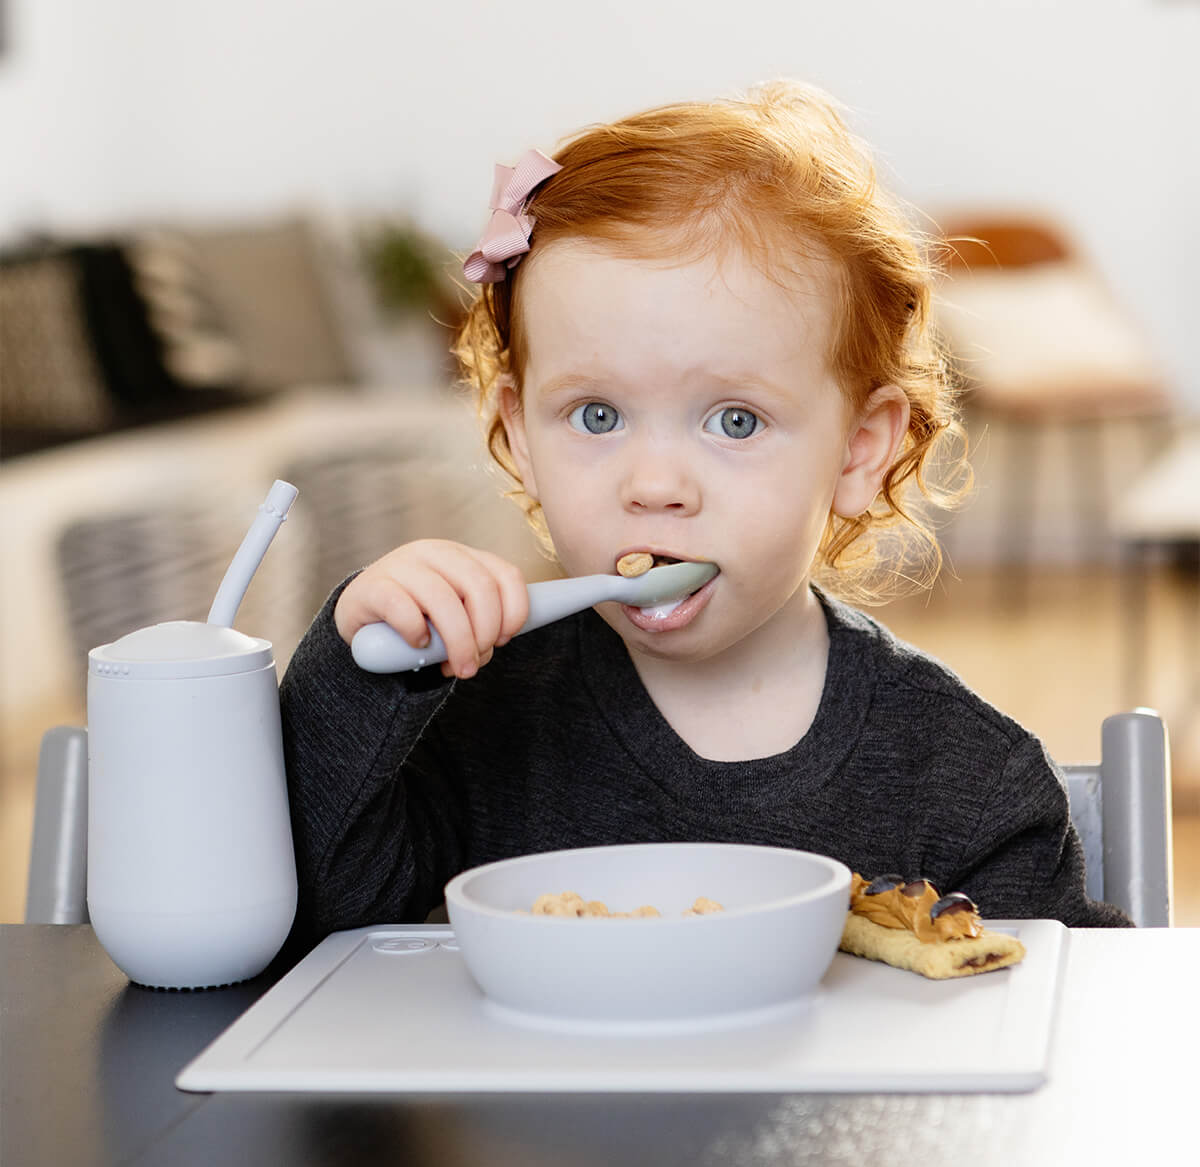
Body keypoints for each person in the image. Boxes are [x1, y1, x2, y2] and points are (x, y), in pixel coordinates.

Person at [279, 81, 1131, 955]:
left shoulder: (969, 780)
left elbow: (1068, 1002)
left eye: (735, 421)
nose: (654, 486)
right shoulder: (473, 722)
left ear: (857, 450)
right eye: (597, 416)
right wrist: (354, 676)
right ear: (520, 435)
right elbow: (318, 924)